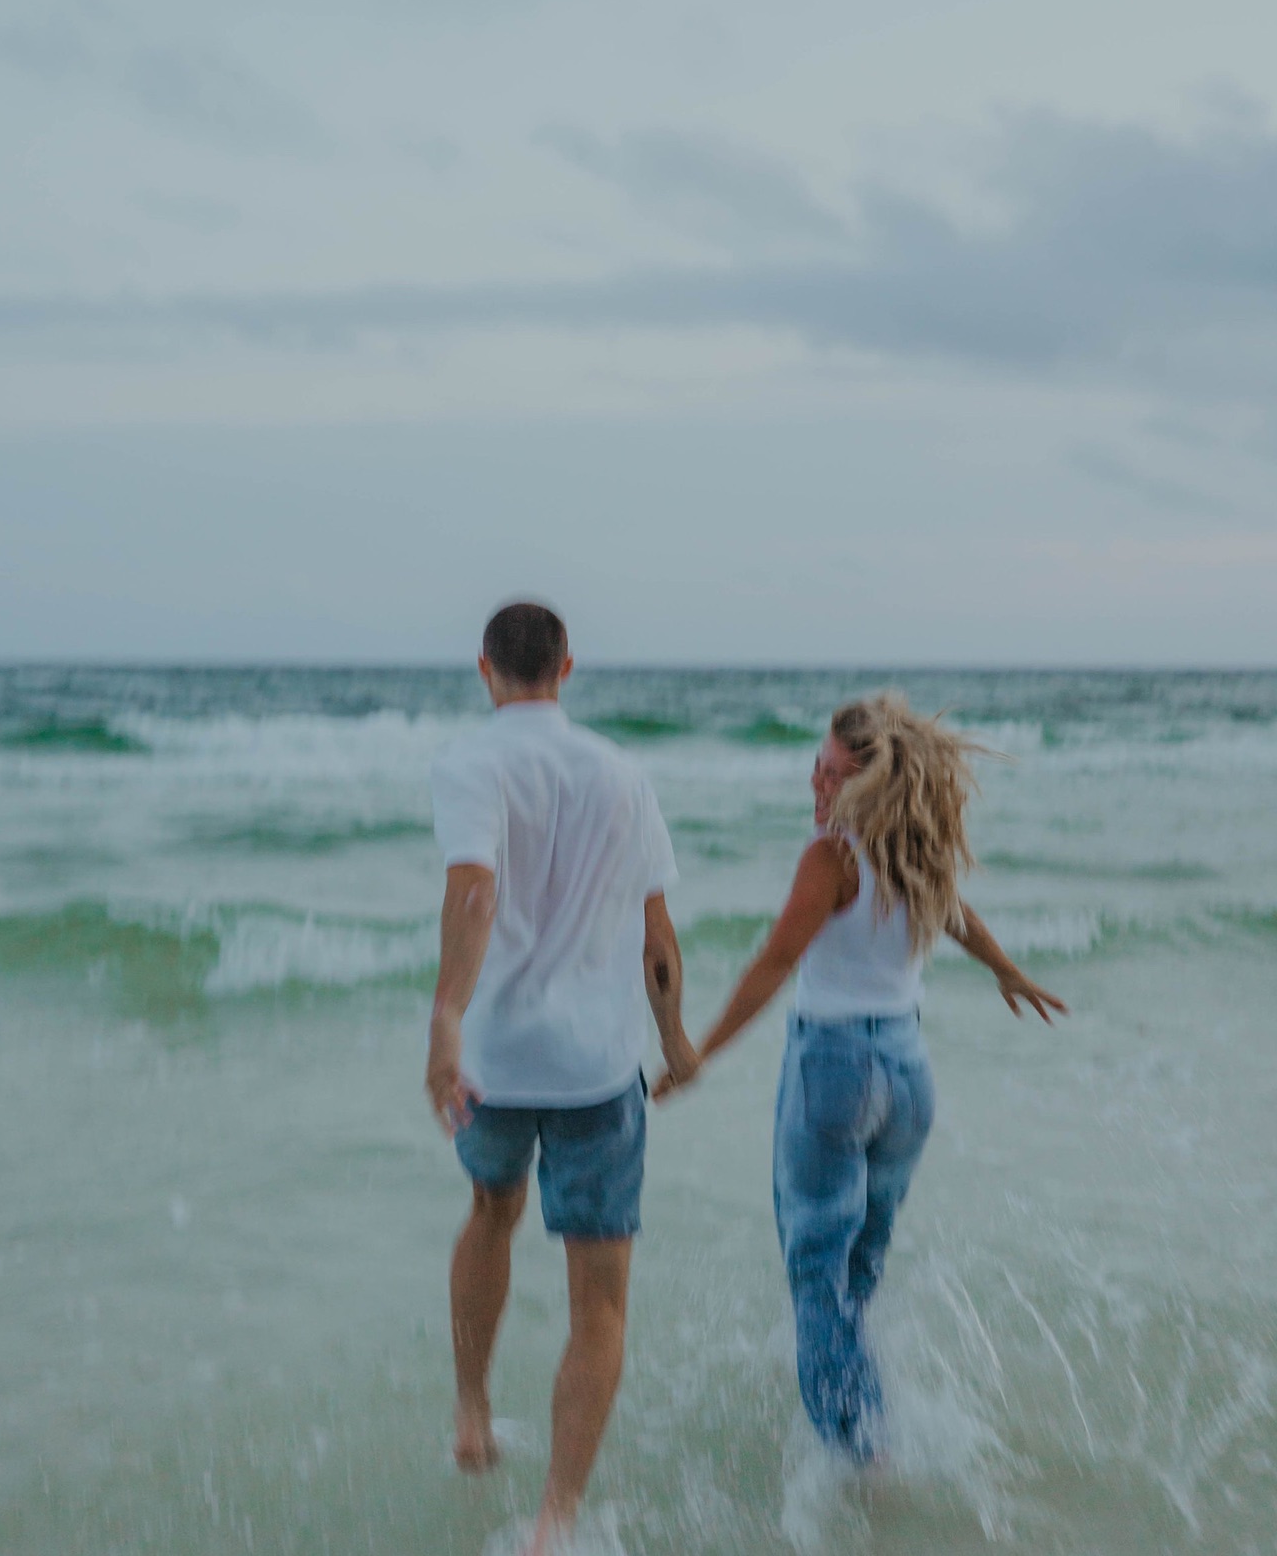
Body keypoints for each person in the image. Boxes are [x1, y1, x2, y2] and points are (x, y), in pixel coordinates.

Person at [655, 693, 1067, 1463]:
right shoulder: (916, 849)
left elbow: (775, 962)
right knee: (858, 1265)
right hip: (908, 1077)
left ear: (871, 783)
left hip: (835, 1071)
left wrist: (699, 1052)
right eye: (816, 764)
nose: (817, 782)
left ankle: (858, 1455)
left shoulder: (832, 857)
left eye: (834, 773)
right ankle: (857, 1403)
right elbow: (956, 915)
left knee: (816, 1269)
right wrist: (1005, 970)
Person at [425, 602, 700, 1552]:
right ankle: (556, 1518)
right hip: (595, 1071)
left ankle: (470, 1410)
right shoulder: (623, 774)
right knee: (601, 1297)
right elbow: (657, 935)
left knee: (490, 1214)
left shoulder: (472, 761)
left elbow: (472, 889)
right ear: (568, 668)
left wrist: (446, 1021)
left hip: (498, 1060)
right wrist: (675, 1040)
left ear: (486, 669)